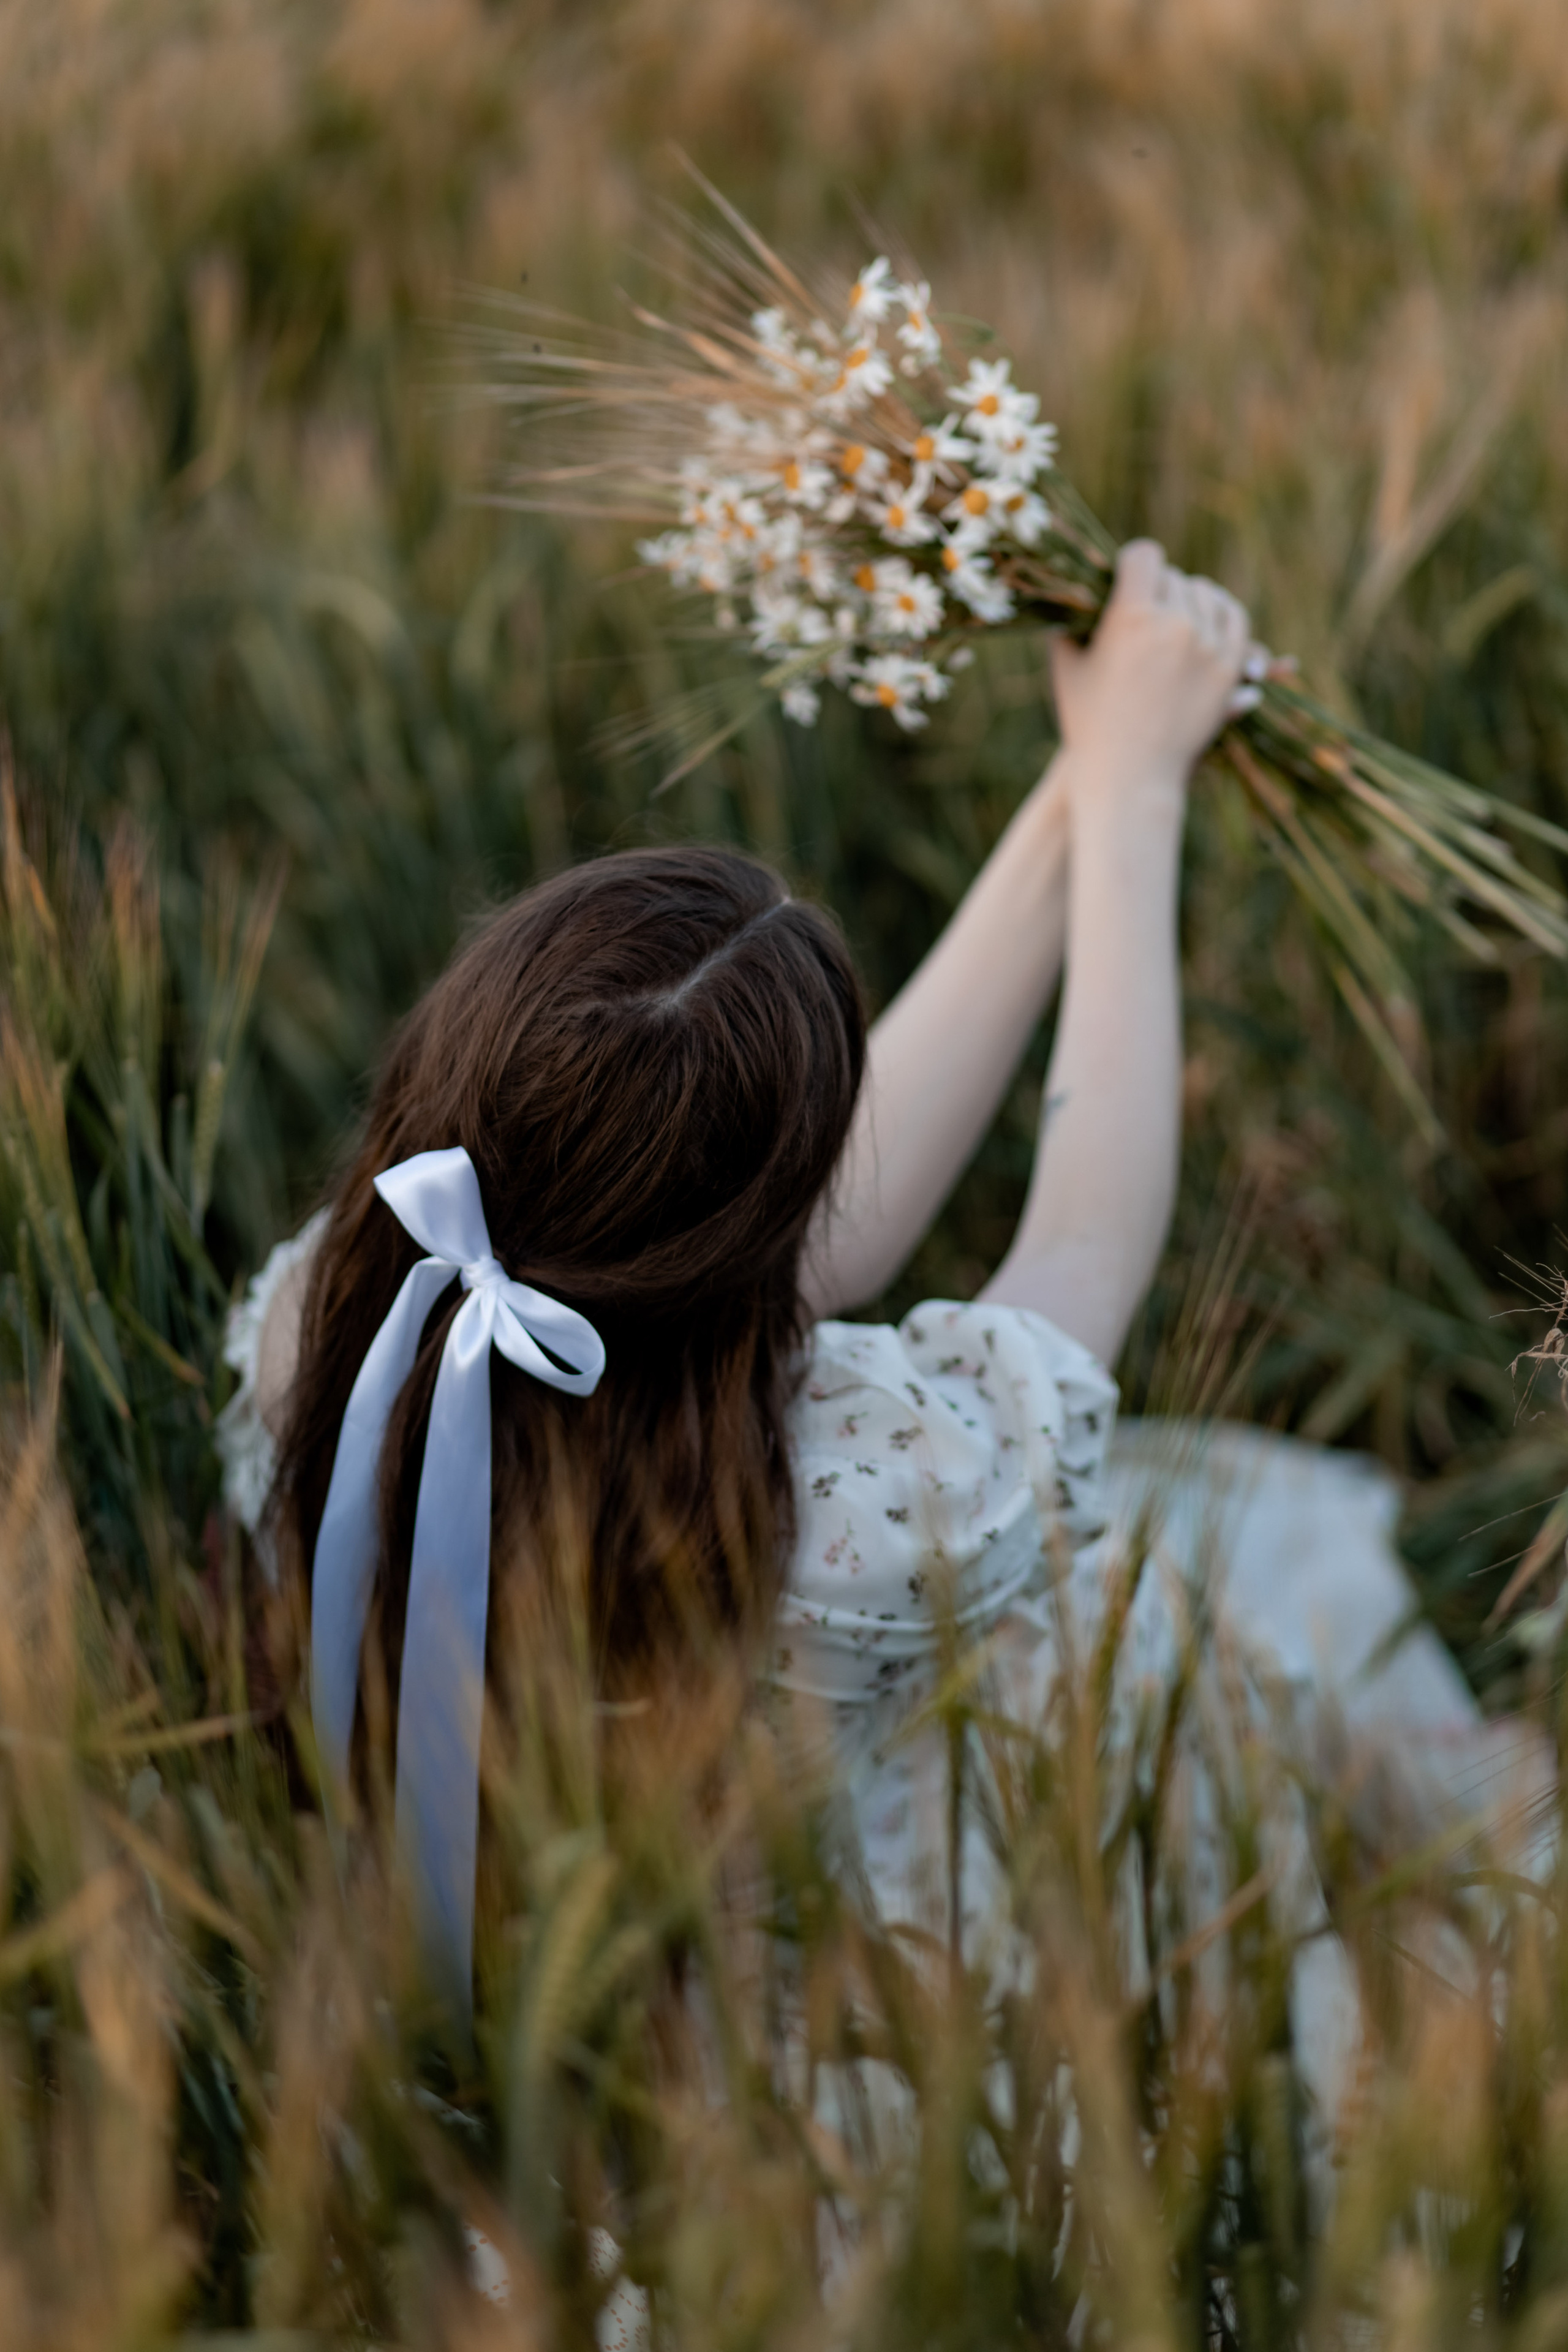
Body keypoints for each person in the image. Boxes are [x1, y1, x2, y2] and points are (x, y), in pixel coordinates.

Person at [219, 541, 1539, 2047]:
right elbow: (1085, 1242)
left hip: (565, 1997)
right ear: (773, 1226)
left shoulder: (338, 1314)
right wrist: (1137, 809)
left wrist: (1095, 773)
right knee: (1152, 1630)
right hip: (852, 2038)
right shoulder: (863, 1503)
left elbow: (766, 1235)